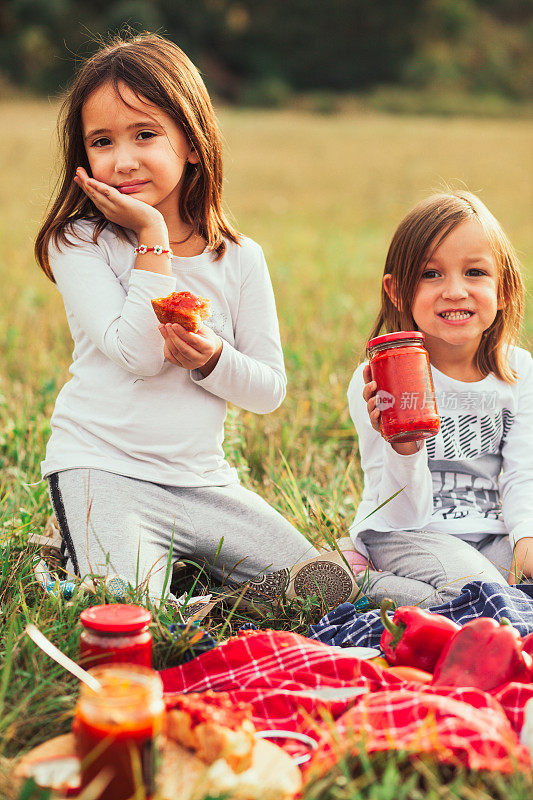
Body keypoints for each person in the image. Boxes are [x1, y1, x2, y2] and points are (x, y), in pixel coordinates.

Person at [35, 32, 364, 606]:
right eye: (102, 141)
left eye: (145, 134)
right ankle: (194, 602)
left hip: (203, 483)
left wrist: (212, 357)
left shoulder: (238, 257)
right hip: (102, 469)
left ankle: (230, 604)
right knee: (130, 611)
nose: (123, 160)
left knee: (324, 587)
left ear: (191, 142)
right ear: (84, 157)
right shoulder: (80, 242)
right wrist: (152, 238)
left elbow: (269, 390)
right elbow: (136, 354)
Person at [348, 190, 533, 608]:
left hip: (489, 533)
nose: (454, 290)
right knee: (489, 597)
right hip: (406, 533)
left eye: (475, 272)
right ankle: (357, 583)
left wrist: (525, 543)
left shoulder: (521, 373)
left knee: (500, 595)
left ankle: (381, 587)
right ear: (396, 291)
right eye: (431, 274)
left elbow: (523, 478)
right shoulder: (383, 378)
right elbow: (400, 510)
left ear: (503, 289)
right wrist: (404, 446)